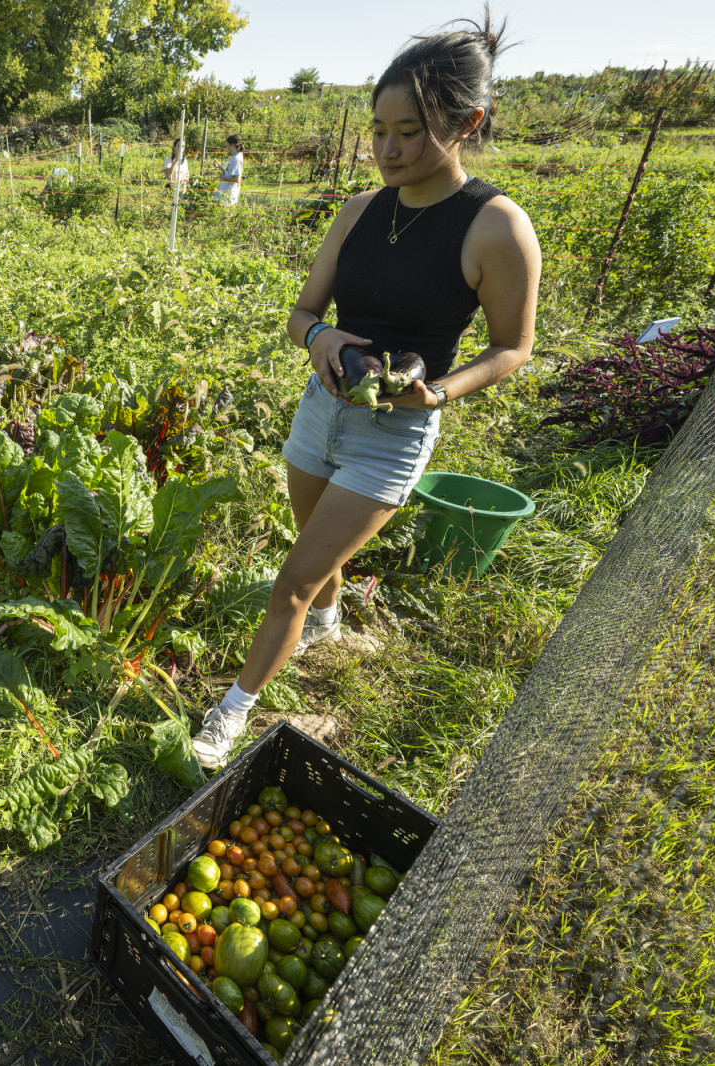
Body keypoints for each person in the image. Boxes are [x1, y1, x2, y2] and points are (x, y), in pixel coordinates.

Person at [192, 13, 540, 769]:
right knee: (319, 558)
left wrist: (439, 394)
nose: (385, 149)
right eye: (377, 129)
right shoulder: (358, 212)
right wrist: (320, 339)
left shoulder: (494, 227)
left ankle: (229, 714)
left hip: (394, 432)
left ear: (467, 123)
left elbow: (514, 347)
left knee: (291, 576)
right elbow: (302, 312)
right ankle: (327, 621)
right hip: (322, 410)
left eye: (408, 132)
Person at [215, 135, 244, 205]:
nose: (226, 147)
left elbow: (236, 179)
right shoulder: (234, 157)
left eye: (227, 145)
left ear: (232, 145)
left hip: (228, 196)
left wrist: (223, 178)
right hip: (225, 194)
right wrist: (220, 167)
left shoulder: (237, 159)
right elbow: (230, 174)